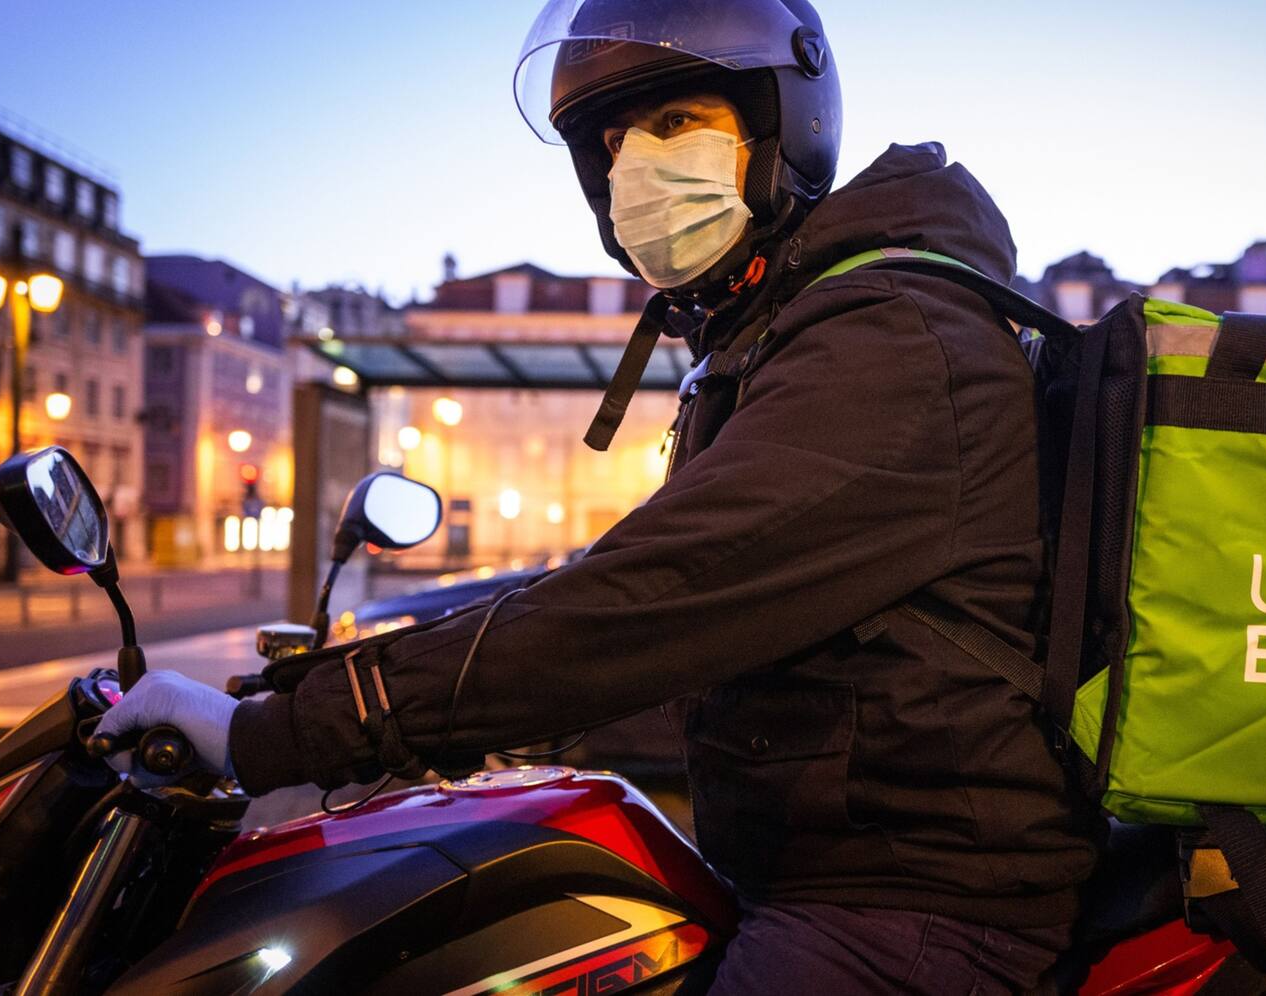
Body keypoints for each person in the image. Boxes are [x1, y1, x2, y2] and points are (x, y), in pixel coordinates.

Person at [100, 1, 1097, 990]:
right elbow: (640, 597)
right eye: (613, 144)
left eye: (674, 124)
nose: (633, 169)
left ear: (780, 125)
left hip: (918, 909)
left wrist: (277, 733)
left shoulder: (889, 339)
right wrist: (320, 682)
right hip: (820, 865)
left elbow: (652, 599)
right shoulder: (791, 333)